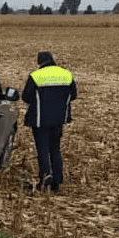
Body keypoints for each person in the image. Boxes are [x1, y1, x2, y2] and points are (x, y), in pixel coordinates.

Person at [21, 51, 77, 192]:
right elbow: (74, 95)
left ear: (39, 62)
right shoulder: (66, 74)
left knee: (43, 150)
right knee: (55, 149)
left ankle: (45, 180)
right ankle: (57, 181)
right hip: (59, 119)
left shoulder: (36, 76)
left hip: (40, 120)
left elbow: (26, 97)